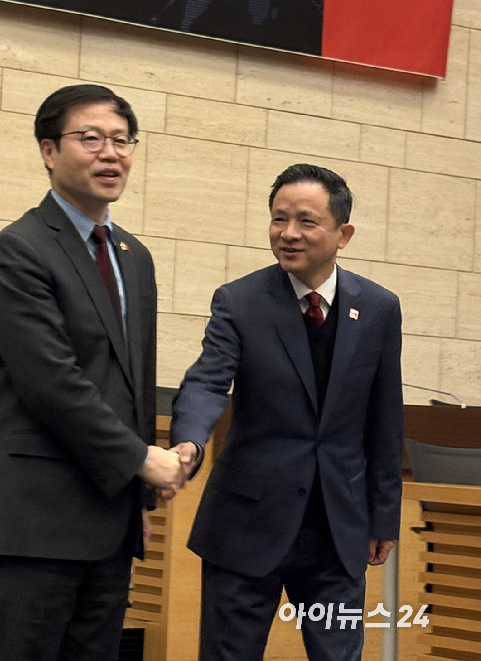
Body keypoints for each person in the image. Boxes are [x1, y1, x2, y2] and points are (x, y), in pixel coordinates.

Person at [0, 84, 184, 661]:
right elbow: (51, 383)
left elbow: (131, 386)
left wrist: (139, 500)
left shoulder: (135, 257)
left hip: (109, 519)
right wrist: (141, 460)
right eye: (90, 139)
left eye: (121, 140)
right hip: (34, 518)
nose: (110, 153)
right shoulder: (19, 249)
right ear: (49, 151)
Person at [169, 163, 404, 661]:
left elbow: (384, 418)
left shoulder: (380, 308)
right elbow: (208, 379)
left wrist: (383, 516)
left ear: (344, 234)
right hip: (247, 526)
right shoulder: (240, 300)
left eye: (305, 221)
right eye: (279, 219)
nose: (288, 234)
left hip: (338, 532)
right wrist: (189, 440)